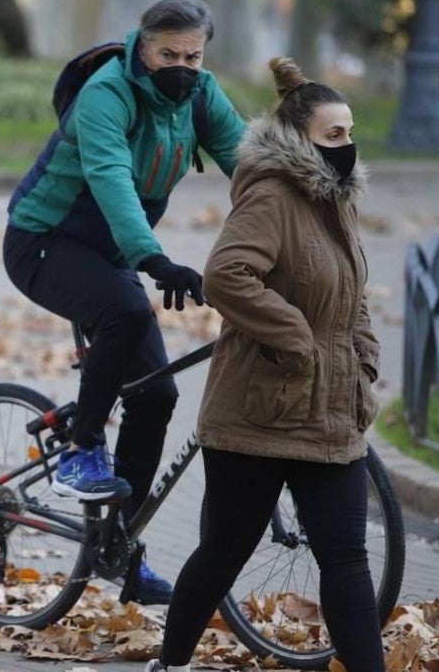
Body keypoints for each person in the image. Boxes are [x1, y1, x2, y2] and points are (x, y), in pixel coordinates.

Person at [2, 0, 246, 604]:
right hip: (43, 240)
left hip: (109, 253)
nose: (182, 67)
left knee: (157, 395)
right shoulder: (108, 94)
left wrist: (303, 216)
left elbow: (249, 164)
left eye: (193, 55)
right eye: (168, 54)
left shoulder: (201, 94)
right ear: (142, 45)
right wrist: (153, 258)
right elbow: (110, 177)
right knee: (128, 310)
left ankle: (118, 548)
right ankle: (82, 451)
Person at [146, 57, 383, 672]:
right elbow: (226, 276)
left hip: (331, 413)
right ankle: (170, 663)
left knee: (347, 560)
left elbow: (350, 292)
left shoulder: (336, 203)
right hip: (259, 413)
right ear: (299, 140)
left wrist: (363, 354)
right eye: (334, 136)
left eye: (350, 133)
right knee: (222, 555)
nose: (347, 146)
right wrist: (296, 337)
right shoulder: (272, 197)